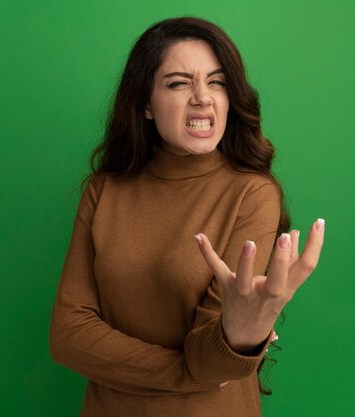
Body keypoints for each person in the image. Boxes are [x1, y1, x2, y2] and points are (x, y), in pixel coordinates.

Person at [49, 16, 325, 417]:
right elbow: (68, 335)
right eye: (179, 83)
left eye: (217, 82)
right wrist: (190, 369)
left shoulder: (251, 194)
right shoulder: (103, 191)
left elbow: (213, 359)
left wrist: (239, 338)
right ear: (145, 102)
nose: (203, 97)